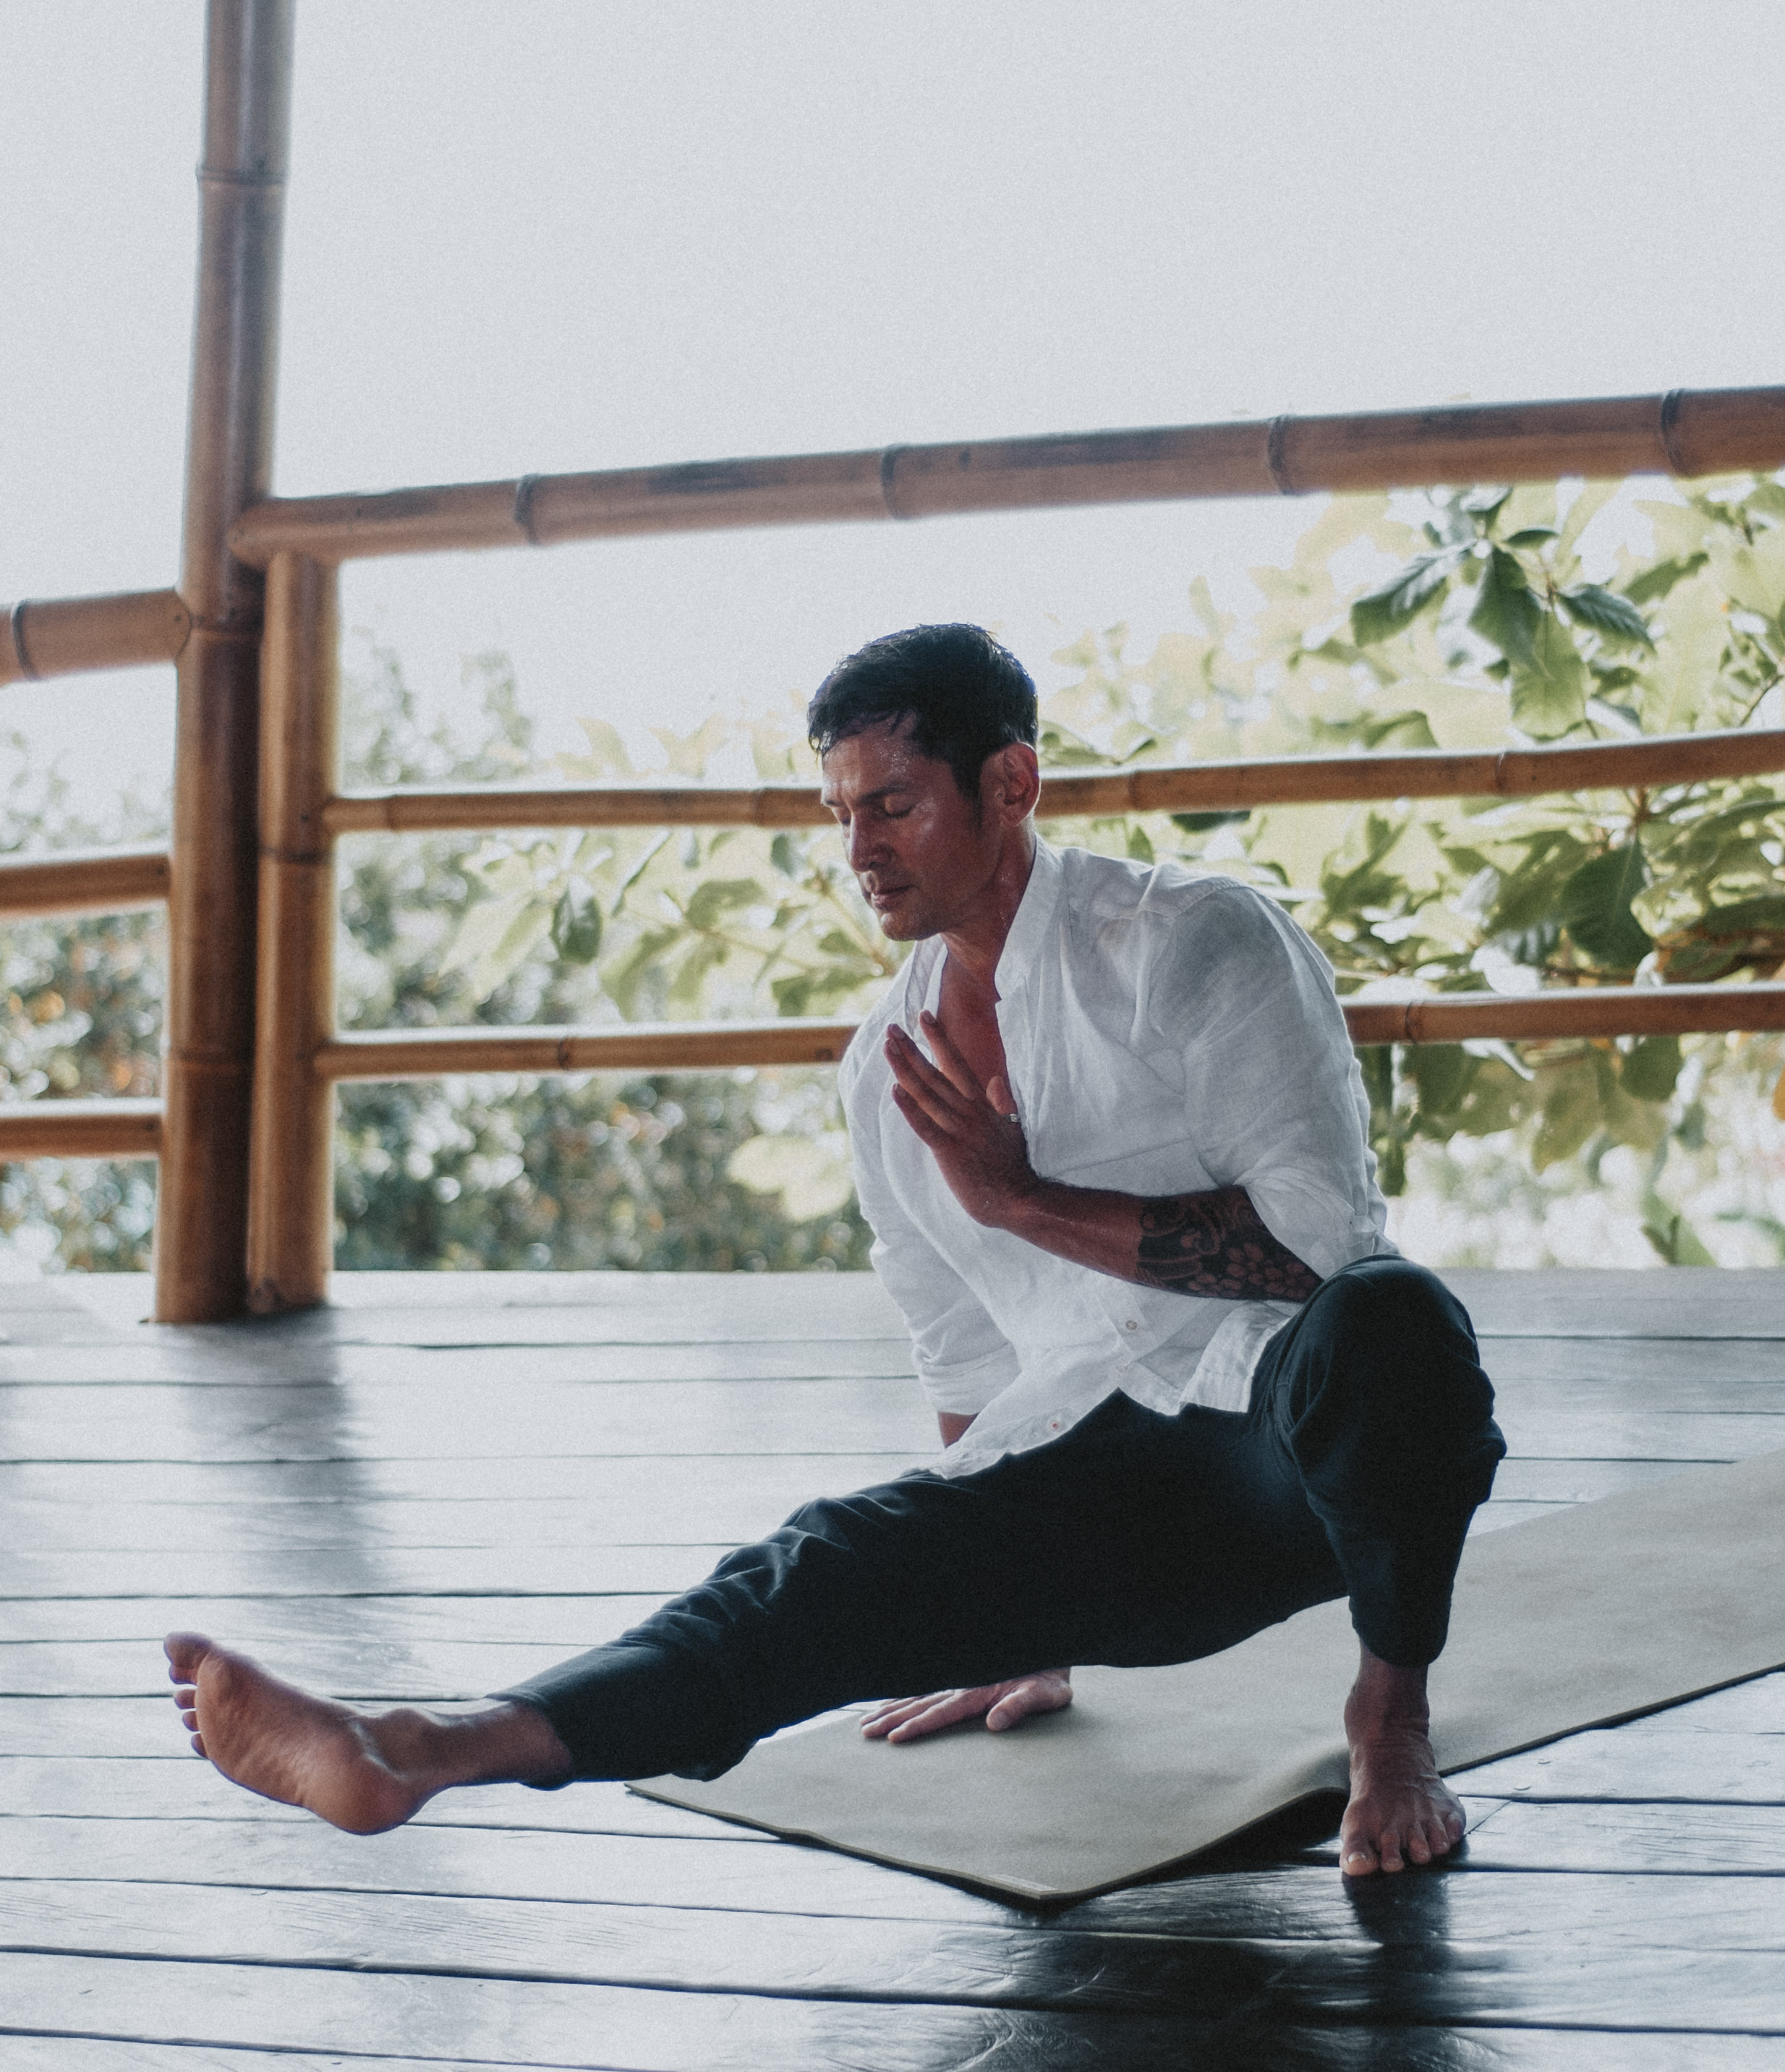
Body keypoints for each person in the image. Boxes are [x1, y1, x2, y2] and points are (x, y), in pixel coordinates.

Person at [167, 623, 1505, 1879]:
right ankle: (418, 1750)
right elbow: (966, 1357)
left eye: (895, 804)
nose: (861, 849)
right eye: (842, 813)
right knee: (815, 1570)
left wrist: (1024, 1198)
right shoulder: (884, 1067)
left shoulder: (1196, 943)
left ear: (1012, 783)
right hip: (1101, 1511)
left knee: (1392, 1323)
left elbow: (1317, 1247)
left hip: (1293, 1471)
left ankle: (1390, 1718)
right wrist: (1003, 1621)